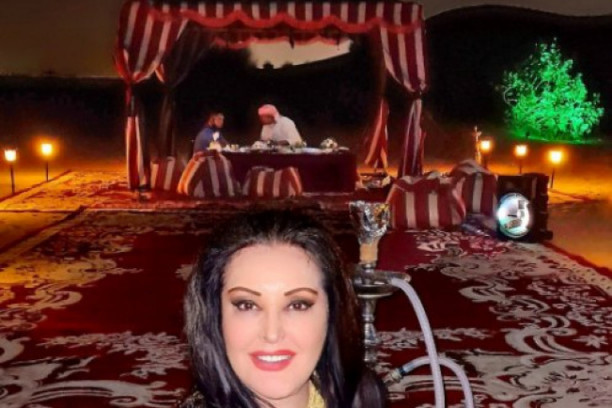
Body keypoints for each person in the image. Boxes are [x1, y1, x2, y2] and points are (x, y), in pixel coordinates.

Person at [181, 210, 387, 408]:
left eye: (297, 305)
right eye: (247, 305)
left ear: (332, 311)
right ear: (214, 315)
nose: (272, 334)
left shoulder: (362, 397)